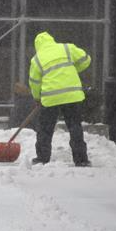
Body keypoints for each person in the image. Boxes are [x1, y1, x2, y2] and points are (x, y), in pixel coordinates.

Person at [28, 31, 91, 167]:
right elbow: (86, 59)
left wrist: (37, 97)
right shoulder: (67, 48)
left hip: (51, 97)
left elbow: (34, 82)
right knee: (75, 127)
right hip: (71, 95)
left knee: (45, 128)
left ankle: (42, 158)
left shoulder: (37, 59)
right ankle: (81, 160)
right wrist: (73, 69)